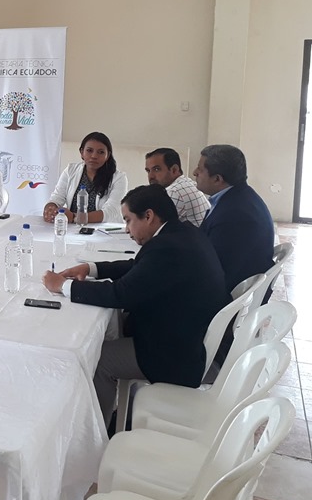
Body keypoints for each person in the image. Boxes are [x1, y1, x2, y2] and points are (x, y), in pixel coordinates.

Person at [42, 185, 227, 434]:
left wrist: (64, 286)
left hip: (177, 353)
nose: (127, 229)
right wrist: (92, 268)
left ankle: (96, 433)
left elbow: (121, 294)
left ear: (148, 216)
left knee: (98, 359)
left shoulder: (167, 248)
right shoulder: (181, 233)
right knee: (108, 332)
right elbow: (139, 266)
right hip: (187, 331)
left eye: (128, 220)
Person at [193, 144, 275, 295]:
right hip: (237, 282)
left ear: (217, 179)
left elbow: (211, 266)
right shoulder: (240, 197)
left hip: (229, 294)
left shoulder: (234, 214)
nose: (194, 172)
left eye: (200, 169)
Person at [43, 131, 128, 224]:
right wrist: (50, 209)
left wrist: (75, 217)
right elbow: (56, 198)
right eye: (89, 150)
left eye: (101, 152)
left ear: (107, 156)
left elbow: (111, 212)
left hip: (103, 230)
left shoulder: (119, 178)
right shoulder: (70, 170)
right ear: (81, 152)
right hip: (73, 229)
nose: (94, 156)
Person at [144, 147, 210, 227]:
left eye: (157, 169)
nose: (151, 176)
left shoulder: (174, 192)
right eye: (148, 171)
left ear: (174, 170)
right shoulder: (187, 183)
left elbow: (150, 228)